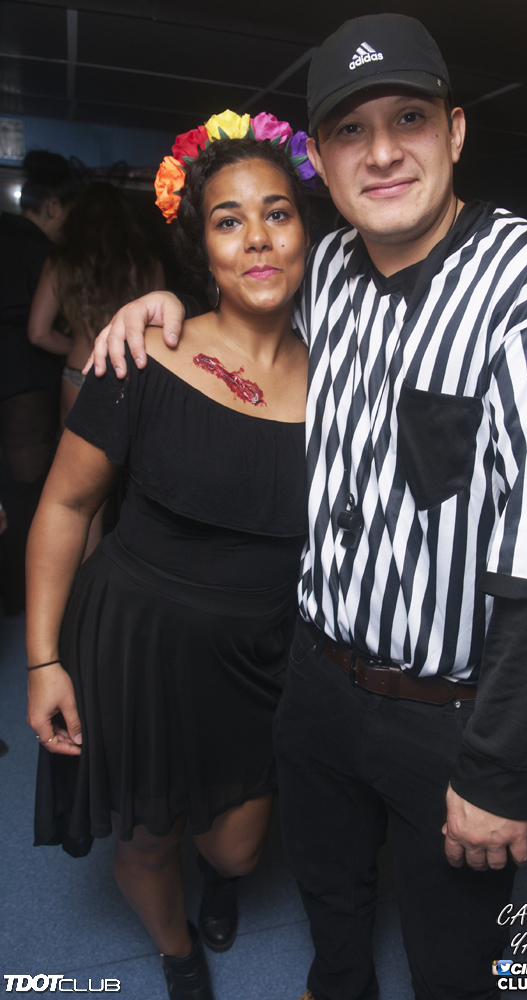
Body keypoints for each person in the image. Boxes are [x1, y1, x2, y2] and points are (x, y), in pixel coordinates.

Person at [90, 15, 527, 1000]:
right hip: (315, 679)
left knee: (451, 960)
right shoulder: (329, 269)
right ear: (324, 165)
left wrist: (497, 771)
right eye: (349, 130)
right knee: (331, 899)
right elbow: (240, 316)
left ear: (454, 131)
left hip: (449, 715)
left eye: (407, 118)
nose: (380, 152)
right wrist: (154, 310)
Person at [25, 113, 311, 1000]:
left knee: (240, 846)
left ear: (305, 232)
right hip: (135, 643)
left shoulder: (345, 377)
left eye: (276, 213)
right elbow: (65, 506)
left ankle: (221, 884)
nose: (256, 238)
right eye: (229, 220)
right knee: (148, 840)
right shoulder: (143, 352)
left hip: (260, 655)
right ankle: (177, 949)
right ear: (201, 245)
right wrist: (41, 660)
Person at [27, 181, 166, 556]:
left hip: (79, 376)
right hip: (132, 377)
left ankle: (82, 584)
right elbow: (159, 335)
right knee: (139, 491)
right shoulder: (146, 263)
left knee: (78, 500)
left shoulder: (62, 262)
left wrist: (80, 347)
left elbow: (38, 333)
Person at [0, 150, 79, 615]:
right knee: (27, 492)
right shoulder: (45, 253)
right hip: (24, 382)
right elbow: (40, 329)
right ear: (51, 207)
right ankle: (20, 599)